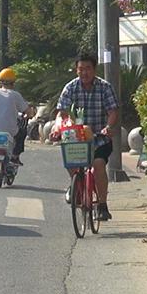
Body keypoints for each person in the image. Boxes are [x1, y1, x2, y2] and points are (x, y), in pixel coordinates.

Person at [53, 53, 119, 221]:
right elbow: (62, 112)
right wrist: (57, 127)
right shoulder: (70, 88)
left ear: (94, 69)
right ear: (76, 70)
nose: (84, 73)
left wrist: (108, 127)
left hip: (99, 138)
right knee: (71, 161)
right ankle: (76, 186)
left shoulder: (104, 87)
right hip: (75, 137)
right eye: (81, 69)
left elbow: (112, 111)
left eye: (88, 69)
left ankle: (102, 205)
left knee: (98, 165)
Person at [0, 67, 34, 165]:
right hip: (11, 131)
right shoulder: (15, 95)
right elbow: (27, 111)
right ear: (13, 82)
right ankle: (15, 156)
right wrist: (29, 115)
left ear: (0, 81)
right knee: (22, 131)